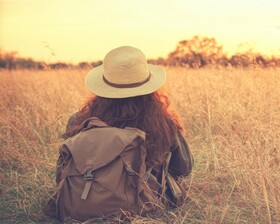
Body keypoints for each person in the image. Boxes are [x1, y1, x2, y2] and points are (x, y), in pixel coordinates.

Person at [45, 46, 193, 221]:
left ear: (104, 86)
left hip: (80, 201)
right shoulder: (163, 123)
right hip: (142, 206)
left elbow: (62, 171)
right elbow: (183, 167)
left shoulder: (79, 120)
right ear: (149, 86)